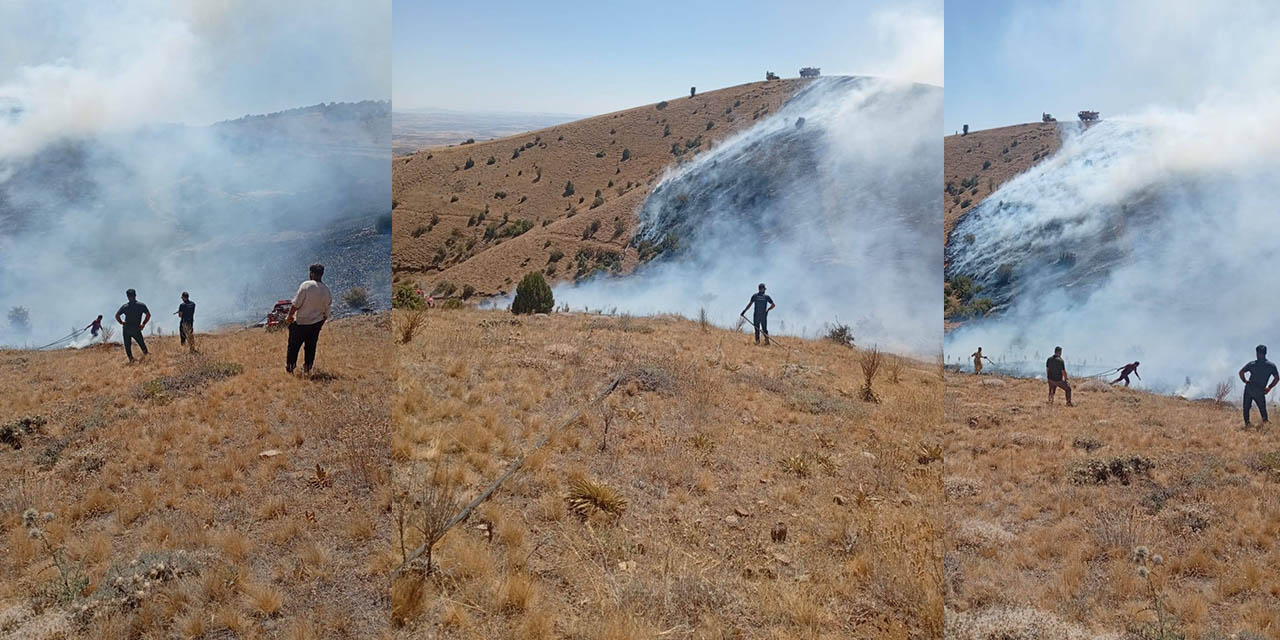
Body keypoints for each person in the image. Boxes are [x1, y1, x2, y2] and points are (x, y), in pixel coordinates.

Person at [285, 263, 332, 374]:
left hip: (301, 323)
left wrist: (289, 316)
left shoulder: (306, 285)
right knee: (311, 348)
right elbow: (326, 313)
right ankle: (307, 369)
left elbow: (296, 304)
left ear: (311, 273)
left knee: (293, 347)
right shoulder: (326, 291)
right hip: (315, 324)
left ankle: (290, 368)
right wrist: (319, 325)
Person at [1238, 345, 1278, 427]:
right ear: (1265, 353)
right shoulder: (1271, 365)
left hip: (1250, 388)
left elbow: (1241, 372)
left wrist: (1245, 381)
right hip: (1260, 390)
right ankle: (1265, 424)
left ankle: (1247, 424)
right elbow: (1277, 378)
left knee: (1246, 408)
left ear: (1257, 353)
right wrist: (1269, 387)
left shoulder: (1252, 364)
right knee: (1262, 409)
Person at [114, 289, 151, 362]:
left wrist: (121, 322)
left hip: (126, 328)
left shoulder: (125, 306)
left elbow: (117, 315)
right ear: (135, 295)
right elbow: (148, 315)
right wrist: (143, 324)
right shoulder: (141, 305)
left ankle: (131, 360)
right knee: (141, 342)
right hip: (136, 328)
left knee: (127, 345)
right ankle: (146, 355)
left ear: (127, 296)